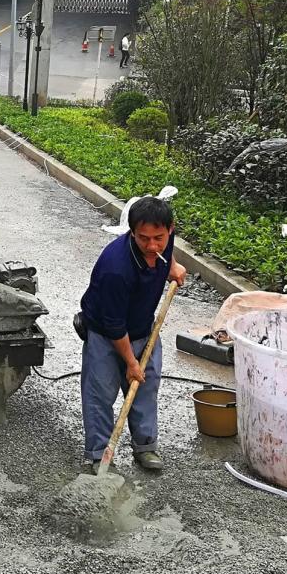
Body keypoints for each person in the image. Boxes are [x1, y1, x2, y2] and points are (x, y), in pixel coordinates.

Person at [77, 196, 186, 475]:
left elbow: (166, 250)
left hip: (143, 329)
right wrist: (131, 362)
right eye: (144, 238)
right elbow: (114, 326)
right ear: (132, 232)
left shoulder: (164, 241)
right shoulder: (116, 267)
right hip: (105, 333)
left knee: (145, 390)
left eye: (158, 238)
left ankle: (146, 447)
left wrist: (172, 266)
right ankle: (99, 454)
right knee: (100, 392)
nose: (152, 246)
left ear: (170, 229)